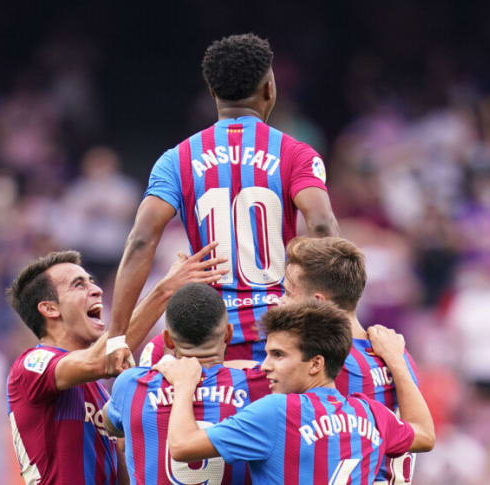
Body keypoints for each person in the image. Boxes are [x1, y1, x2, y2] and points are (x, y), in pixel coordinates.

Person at [111, 33, 339, 364]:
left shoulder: (177, 159)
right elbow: (320, 224)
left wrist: (116, 338)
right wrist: (333, 315)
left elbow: (141, 240)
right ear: (269, 88)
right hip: (280, 337)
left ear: (212, 92)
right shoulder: (296, 154)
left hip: (206, 338)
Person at [6, 247, 225, 485]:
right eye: (79, 285)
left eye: (92, 282)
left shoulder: (100, 391)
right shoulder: (31, 366)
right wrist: (165, 291)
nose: (97, 290)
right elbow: (102, 359)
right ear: (50, 308)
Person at [155, 300, 435, 485]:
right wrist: (397, 361)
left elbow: (181, 447)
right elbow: (424, 434)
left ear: (316, 363)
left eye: (278, 355)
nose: (265, 366)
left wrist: (183, 385)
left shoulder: (277, 411)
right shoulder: (373, 414)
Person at [281, 236, 421, 485]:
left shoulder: (329, 361)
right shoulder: (397, 353)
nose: (280, 302)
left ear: (317, 301)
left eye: (289, 292)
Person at [101, 283, 270, 485]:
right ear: (228, 333)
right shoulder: (259, 385)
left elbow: (109, 422)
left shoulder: (131, 385)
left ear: (168, 341)